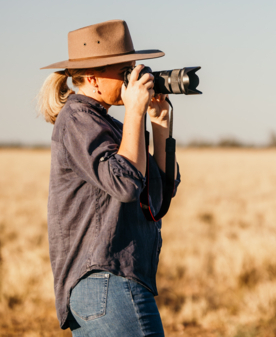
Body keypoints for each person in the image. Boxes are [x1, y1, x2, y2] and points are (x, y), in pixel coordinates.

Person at [38, 19, 181, 337]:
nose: (134, 78)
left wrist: (158, 125)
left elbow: (157, 199)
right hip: (106, 281)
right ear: (92, 78)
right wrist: (134, 113)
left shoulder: (107, 126)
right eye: (124, 71)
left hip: (108, 285)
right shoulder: (78, 118)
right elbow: (126, 184)